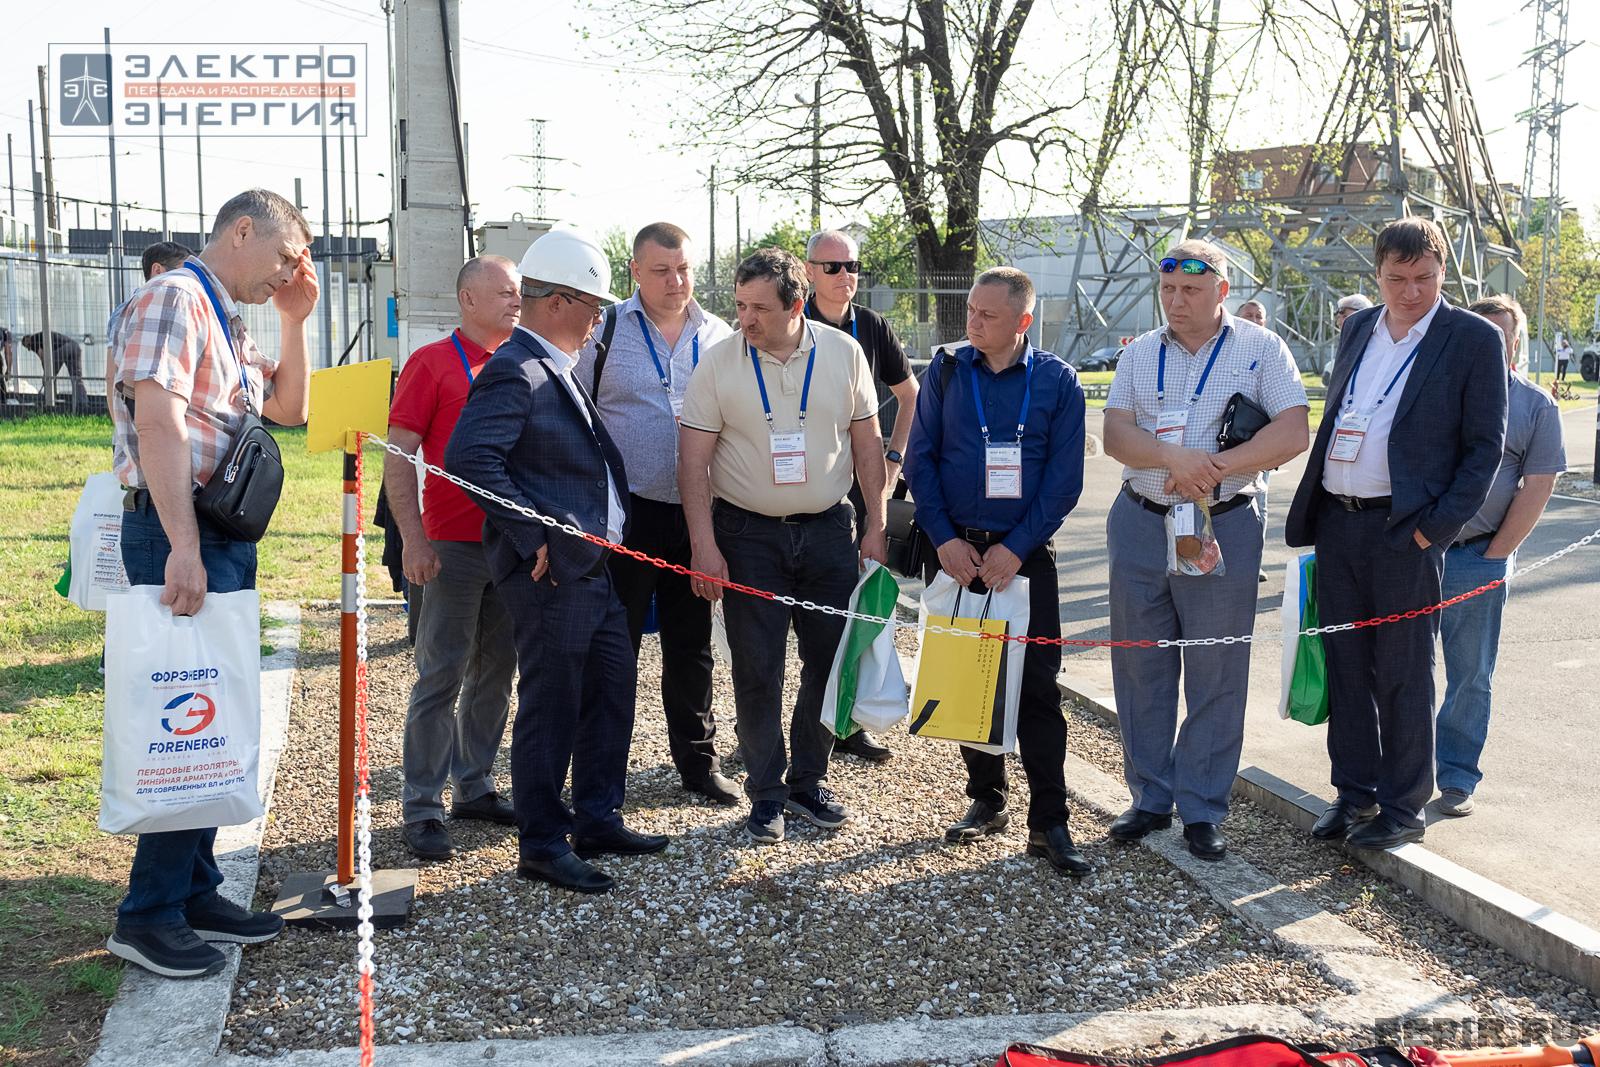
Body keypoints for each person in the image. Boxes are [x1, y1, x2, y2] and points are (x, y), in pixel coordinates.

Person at [104, 188, 319, 978]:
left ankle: (192, 886)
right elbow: (157, 421)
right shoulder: (173, 299)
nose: (288, 272)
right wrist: (184, 547)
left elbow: (291, 407)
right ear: (240, 230)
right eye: (285, 256)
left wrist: (295, 320)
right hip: (179, 531)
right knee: (181, 721)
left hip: (215, 536)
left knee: (210, 714)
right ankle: (149, 911)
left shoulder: (227, 317)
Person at [446, 228, 667, 895]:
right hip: (551, 571)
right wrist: (534, 535)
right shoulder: (515, 368)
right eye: (594, 305)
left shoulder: (550, 365)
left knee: (609, 692)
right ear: (558, 302)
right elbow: (469, 459)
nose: (601, 319)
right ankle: (541, 841)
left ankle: (597, 815)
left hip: (589, 569)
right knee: (552, 703)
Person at [1286, 216, 1507, 850]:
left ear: (1444, 271)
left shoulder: (1470, 339)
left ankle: (1403, 807)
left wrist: (1432, 532)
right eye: (1396, 279)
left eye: (1425, 279)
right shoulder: (1359, 327)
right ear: (1377, 274)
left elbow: (1483, 450)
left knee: (1404, 672)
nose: (1411, 292)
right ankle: (1352, 794)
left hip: (1405, 531)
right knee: (1347, 664)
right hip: (1339, 521)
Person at [1102, 239, 1309, 861]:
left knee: (1217, 669)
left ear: (1221, 290)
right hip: (1141, 521)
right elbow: (1115, 433)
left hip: (1222, 523)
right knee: (1141, 664)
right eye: (1168, 290)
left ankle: (1202, 807)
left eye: (1192, 290)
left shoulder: (1261, 350)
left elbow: (1292, 429)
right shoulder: (1140, 354)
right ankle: (1149, 797)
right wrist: (1172, 457)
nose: (1177, 301)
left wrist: (1212, 468)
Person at [678, 247, 887, 845]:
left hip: (827, 532)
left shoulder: (844, 353)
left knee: (828, 659)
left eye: (759, 308)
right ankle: (765, 793)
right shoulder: (718, 365)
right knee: (757, 668)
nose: (745, 319)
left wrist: (875, 524)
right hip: (747, 537)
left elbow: (867, 445)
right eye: (739, 306)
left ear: (796, 304)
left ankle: (807, 780)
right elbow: (692, 463)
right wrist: (703, 545)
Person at [904, 267, 1091, 875]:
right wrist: (944, 539)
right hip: (958, 551)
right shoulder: (949, 371)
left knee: (1037, 689)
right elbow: (921, 460)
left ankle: (1050, 821)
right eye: (971, 311)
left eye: (988, 315)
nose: (973, 322)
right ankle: (985, 798)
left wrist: (1017, 547)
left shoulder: (1058, 383)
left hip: (1025, 557)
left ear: (1023, 321)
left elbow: (1064, 482)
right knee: (966, 681)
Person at [577, 223, 738, 805]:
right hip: (626, 514)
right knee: (612, 646)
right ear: (635, 273)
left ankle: (697, 764)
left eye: (685, 269)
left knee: (691, 645)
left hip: (697, 515)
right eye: (662, 270)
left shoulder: (720, 334)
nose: (676, 282)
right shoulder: (607, 330)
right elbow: (578, 414)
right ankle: (601, 772)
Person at [386, 255, 523, 861]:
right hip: (450, 546)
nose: (516, 302)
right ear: (468, 299)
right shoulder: (431, 363)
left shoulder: (520, 362)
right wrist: (412, 539)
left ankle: (474, 785)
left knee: (496, 673)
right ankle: (422, 805)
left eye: (519, 292)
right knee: (441, 674)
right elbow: (398, 453)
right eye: (505, 293)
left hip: (514, 546)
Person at [1434, 296, 1565, 817]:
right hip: (1416, 556)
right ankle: (1403, 774)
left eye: (1500, 335)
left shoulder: (1535, 406)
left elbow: (1537, 486)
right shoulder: (1435, 393)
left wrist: (1496, 553)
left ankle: (1457, 776)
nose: (1489, 343)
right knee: (1404, 672)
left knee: (1469, 674)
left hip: (1475, 558)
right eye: (1479, 333)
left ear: (1516, 341)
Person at [803, 228, 918, 763]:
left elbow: (909, 394)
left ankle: (846, 723)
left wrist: (894, 461)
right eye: (833, 267)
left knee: (855, 613)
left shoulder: (871, 328)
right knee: (792, 624)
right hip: (802, 496)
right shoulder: (790, 321)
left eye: (852, 266)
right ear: (809, 272)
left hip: (861, 496)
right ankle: (780, 735)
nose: (845, 275)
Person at [21, 330, 89, 409]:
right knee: (76, 377)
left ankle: (49, 402)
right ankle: (82, 403)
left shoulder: (33, 341)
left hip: (64, 348)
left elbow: (43, 357)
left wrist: (45, 374)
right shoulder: (40, 336)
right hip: (75, 347)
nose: (29, 349)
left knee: (49, 376)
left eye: (27, 346)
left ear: (27, 339)